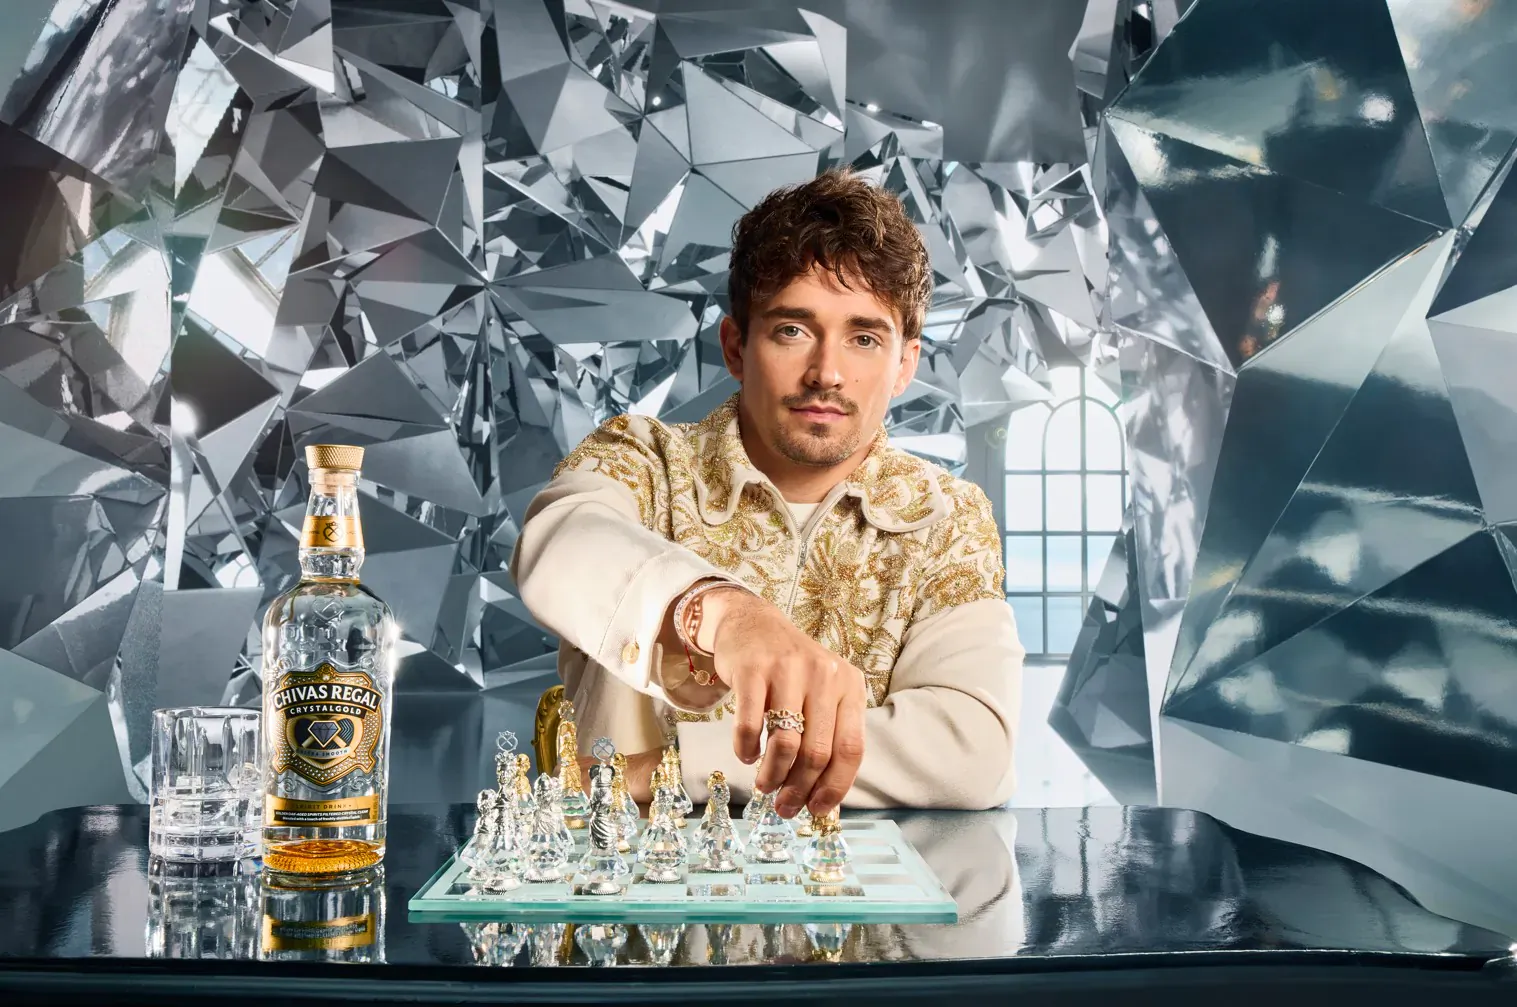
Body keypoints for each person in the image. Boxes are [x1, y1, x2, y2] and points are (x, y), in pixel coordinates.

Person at [509, 168, 1023, 818]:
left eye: (863, 337)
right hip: (628, 899)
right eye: (792, 330)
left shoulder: (945, 516)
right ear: (735, 346)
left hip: (858, 906)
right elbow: (559, 544)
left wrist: (675, 764)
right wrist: (721, 613)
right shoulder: (644, 460)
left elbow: (972, 750)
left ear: (903, 365)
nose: (826, 373)